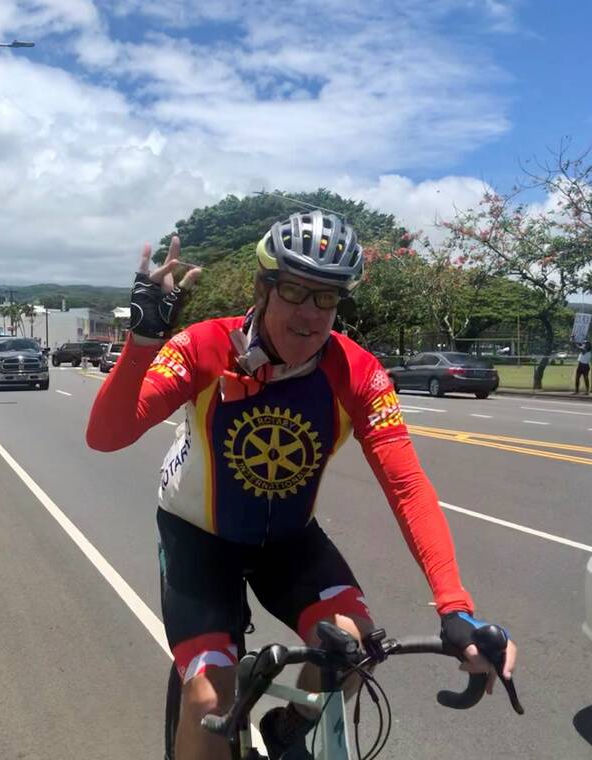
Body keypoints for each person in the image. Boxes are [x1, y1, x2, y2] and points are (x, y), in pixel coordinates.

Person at [86, 211, 517, 760]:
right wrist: (143, 341)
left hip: (288, 541)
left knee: (353, 650)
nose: (310, 313)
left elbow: (407, 487)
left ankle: (287, 727)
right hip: (198, 538)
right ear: (263, 288)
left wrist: (455, 608)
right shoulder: (204, 345)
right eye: (294, 290)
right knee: (209, 697)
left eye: (326, 298)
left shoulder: (358, 373)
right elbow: (107, 436)